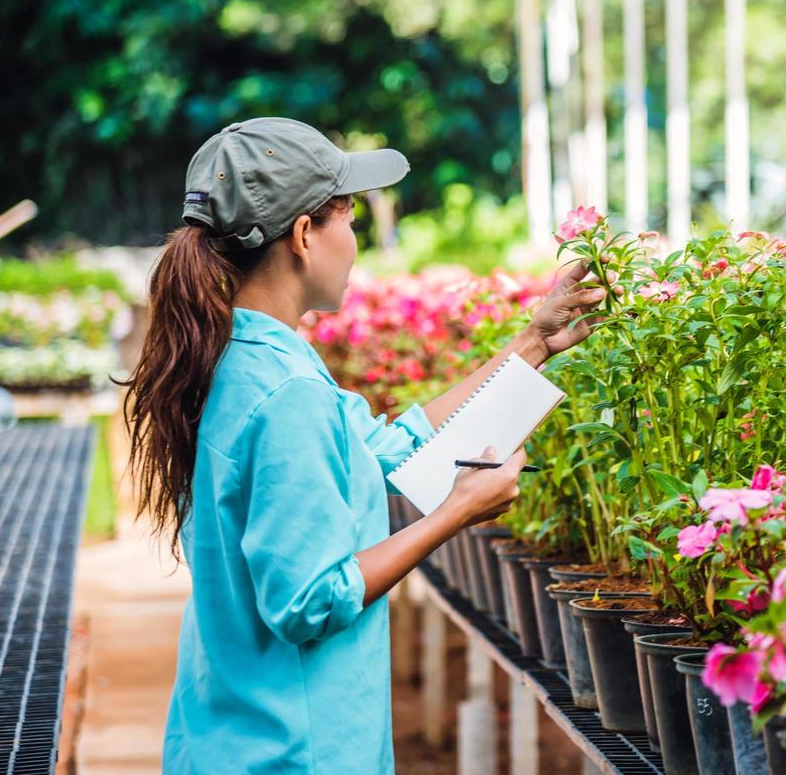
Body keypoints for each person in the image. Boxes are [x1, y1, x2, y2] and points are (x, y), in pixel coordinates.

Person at [120, 117, 608, 773]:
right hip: (293, 753)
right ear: (302, 236)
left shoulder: (241, 357)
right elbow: (307, 602)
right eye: (347, 217)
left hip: (228, 736)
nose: (355, 240)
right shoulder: (284, 390)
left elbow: (393, 449)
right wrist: (455, 514)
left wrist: (532, 345)